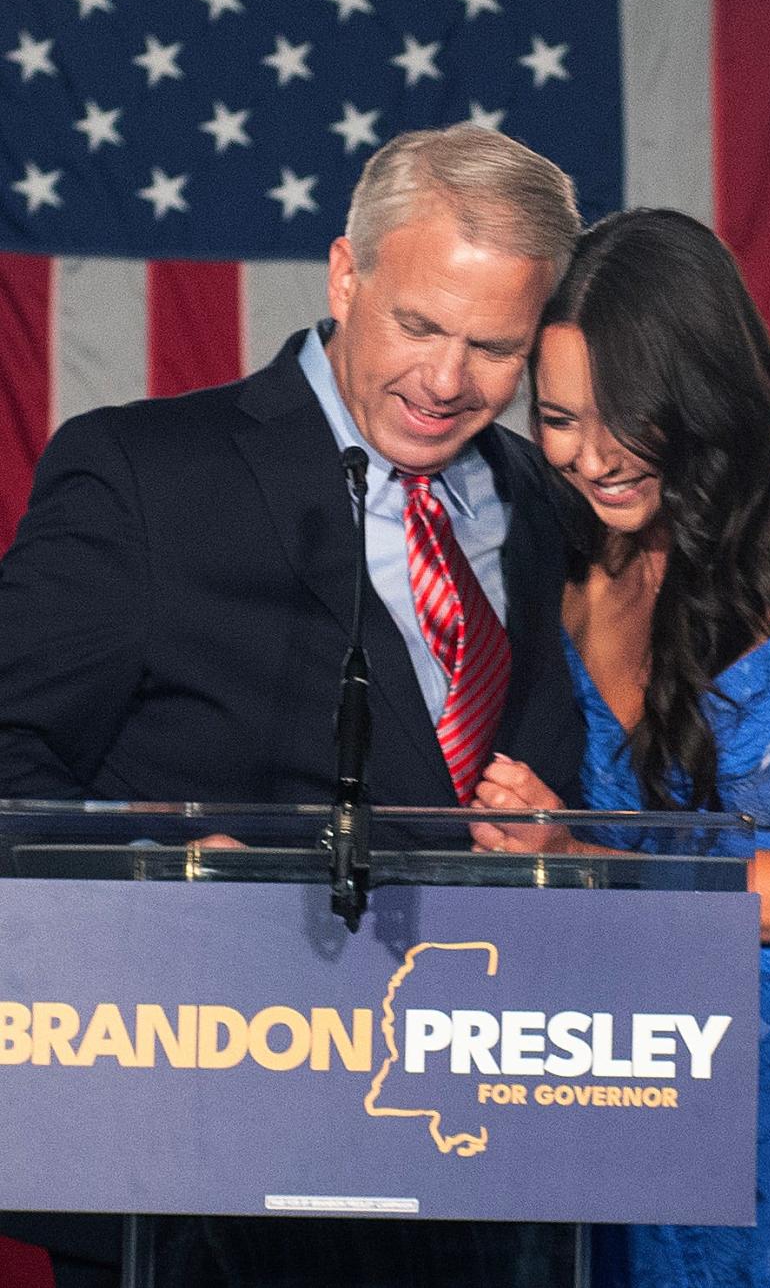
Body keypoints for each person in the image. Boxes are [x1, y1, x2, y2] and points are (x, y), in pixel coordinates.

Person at [0, 125, 585, 1285]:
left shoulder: (533, 497)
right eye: (420, 325)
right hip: (196, 1159)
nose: (447, 381)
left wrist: (559, 849)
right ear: (345, 274)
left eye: (494, 348)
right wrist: (156, 870)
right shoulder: (142, 475)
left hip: (473, 1156)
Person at [472, 207, 770, 1285]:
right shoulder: (568, 574)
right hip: (621, 1078)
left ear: (702, 396)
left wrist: (585, 854)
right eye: (557, 418)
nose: (588, 455)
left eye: (624, 417)